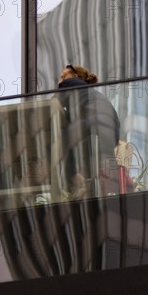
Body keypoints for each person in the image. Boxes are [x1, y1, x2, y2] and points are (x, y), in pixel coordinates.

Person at [57, 64, 125, 198]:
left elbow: (51, 107)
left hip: (93, 123)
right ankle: (86, 186)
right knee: (89, 160)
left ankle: (73, 182)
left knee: (60, 141)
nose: (61, 80)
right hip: (109, 133)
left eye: (64, 76)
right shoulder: (91, 94)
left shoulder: (71, 84)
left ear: (75, 76)